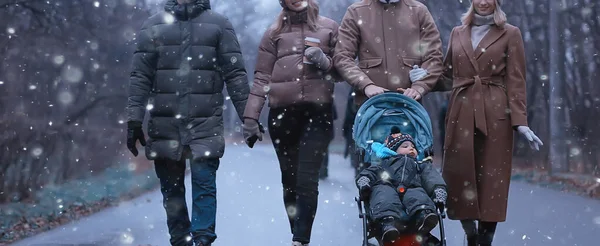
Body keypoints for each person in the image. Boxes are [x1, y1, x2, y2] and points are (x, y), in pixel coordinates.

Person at [125, 0, 249, 245]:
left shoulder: (219, 25)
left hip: (205, 123)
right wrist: (134, 120)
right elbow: (140, 76)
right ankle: (180, 240)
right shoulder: (153, 26)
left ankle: (203, 240)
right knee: (172, 192)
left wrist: (249, 117)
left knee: (204, 184)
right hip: (164, 124)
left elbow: (235, 74)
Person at [436, 0, 544, 245]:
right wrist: (422, 80)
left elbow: (516, 80)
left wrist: (520, 122)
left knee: (492, 180)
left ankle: (485, 239)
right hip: (461, 110)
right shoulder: (457, 32)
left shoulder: (510, 33)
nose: (483, 1)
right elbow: (447, 76)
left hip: (496, 113)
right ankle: (470, 232)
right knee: (458, 173)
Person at [241, 0, 340, 245]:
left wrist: (324, 61)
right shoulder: (273, 34)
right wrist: (250, 118)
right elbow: (262, 77)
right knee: (290, 180)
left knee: (307, 178)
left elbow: (343, 71)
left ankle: (301, 239)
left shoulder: (329, 28)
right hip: (282, 116)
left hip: (318, 114)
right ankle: (298, 232)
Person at [333, 0, 444, 106]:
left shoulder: (419, 10)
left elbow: (434, 56)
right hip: (369, 104)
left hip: (410, 104)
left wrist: (419, 87)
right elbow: (343, 56)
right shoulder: (356, 11)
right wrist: (366, 85)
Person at [355, 127, 447, 243]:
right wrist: (364, 181)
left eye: (413, 147)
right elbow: (369, 173)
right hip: (388, 188)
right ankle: (388, 223)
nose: (411, 149)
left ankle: (424, 216)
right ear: (392, 151)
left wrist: (438, 190)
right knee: (383, 193)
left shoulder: (420, 165)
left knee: (417, 193)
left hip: (412, 188)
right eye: (405, 146)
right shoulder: (383, 165)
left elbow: (432, 178)